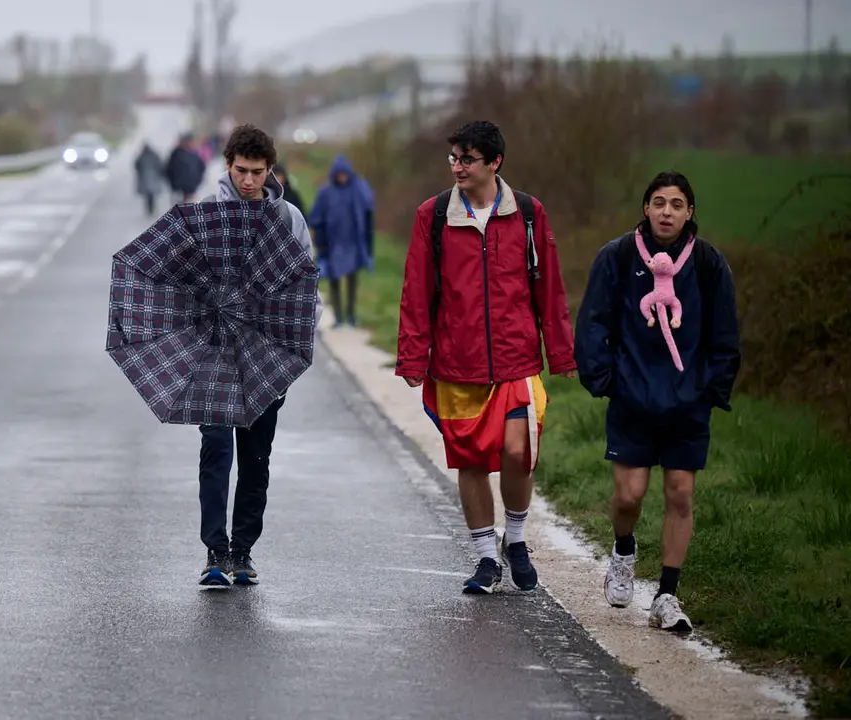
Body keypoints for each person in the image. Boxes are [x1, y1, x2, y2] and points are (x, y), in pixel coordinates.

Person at [396, 120, 576, 595]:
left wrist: (559, 350)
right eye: (454, 157)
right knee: (471, 461)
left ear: (494, 163)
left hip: (517, 357)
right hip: (457, 360)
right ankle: (485, 558)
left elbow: (549, 286)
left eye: (467, 159)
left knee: (520, 451)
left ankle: (515, 538)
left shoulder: (529, 214)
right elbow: (417, 291)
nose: (457, 166)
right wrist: (413, 357)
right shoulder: (432, 216)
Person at [574, 171, 740, 632]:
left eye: (677, 204)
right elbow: (592, 324)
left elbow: (725, 334)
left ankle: (667, 595)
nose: (667, 211)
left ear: (690, 212)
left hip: (688, 403)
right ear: (646, 208)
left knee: (680, 493)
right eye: (659, 202)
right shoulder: (618, 256)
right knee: (629, 495)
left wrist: (712, 390)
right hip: (632, 397)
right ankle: (623, 551)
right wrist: (606, 380)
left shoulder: (707, 264)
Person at [195, 123, 322, 588]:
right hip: (215, 352)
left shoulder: (288, 218)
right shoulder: (205, 216)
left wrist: (299, 331)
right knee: (215, 448)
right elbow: (184, 281)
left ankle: (243, 551)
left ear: (270, 171)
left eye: (257, 172)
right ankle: (215, 549)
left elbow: (305, 282)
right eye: (241, 171)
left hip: (266, 354)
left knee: (256, 455)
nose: (249, 181)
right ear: (228, 167)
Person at [308, 155, 375, 327]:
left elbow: (367, 213)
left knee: (352, 280)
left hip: (352, 242)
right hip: (333, 244)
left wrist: (367, 241)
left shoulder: (358, 189)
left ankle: (351, 315)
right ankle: (338, 317)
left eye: (345, 174)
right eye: (339, 175)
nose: (342, 178)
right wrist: (320, 240)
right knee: (334, 280)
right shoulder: (326, 192)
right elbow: (317, 216)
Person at [165, 133, 207, 203]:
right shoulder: (177, 154)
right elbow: (169, 170)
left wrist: (197, 181)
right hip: (180, 188)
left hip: (188, 187)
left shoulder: (194, 154)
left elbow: (202, 168)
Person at [133, 143, 167, 215]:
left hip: (146, 178)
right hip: (153, 178)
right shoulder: (154, 155)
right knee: (151, 195)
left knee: (148, 195)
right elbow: (160, 165)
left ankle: (150, 209)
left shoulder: (142, 156)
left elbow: (136, 166)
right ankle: (151, 208)